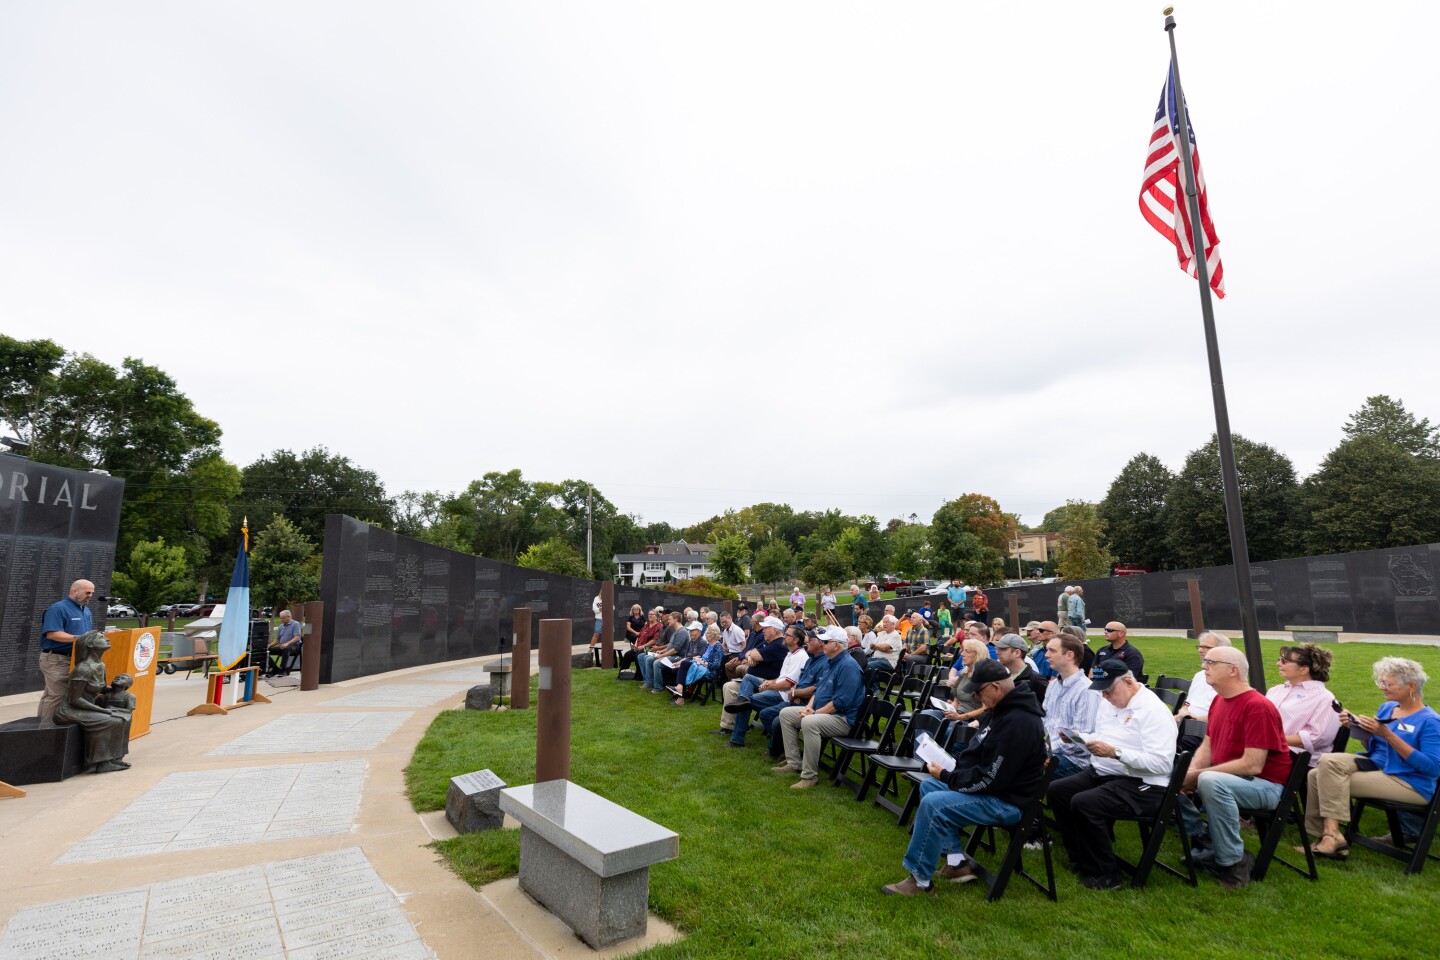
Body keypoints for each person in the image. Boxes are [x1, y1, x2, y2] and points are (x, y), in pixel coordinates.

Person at [881, 659, 1046, 894]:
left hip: (1007, 802)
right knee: (929, 788)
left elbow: (991, 778)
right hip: (995, 791)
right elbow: (976, 753)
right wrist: (950, 770)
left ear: (996, 687)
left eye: (979, 692)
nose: (978, 699)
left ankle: (920, 881)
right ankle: (957, 863)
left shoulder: (1019, 722)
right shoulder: (1001, 710)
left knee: (934, 804)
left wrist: (949, 776)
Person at [1048, 662, 1179, 890]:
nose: (1105, 696)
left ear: (1128, 682)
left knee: (1084, 802)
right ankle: (1082, 858)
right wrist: (1081, 737)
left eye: (1109, 690)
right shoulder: (1109, 702)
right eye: (1102, 691)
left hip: (1145, 784)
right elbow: (1104, 734)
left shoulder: (1153, 711)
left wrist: (1116, 753)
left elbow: (1161, 764)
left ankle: (1106, 874)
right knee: (1058, 791)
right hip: (1106, 771)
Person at [1179, 646, 1292, 889]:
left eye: (1211, 662)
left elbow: (1252, 765)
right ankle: (1209, 842)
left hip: (1266, 786)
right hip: (1232, 780)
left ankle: (1234, 863)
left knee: (1209, 781)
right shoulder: (1219, 700)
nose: (1203, 666)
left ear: (1233, 670)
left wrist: (1197, 777)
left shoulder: (1257, 706)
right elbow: (1207, 747)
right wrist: (1189, 773)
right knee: (1173, 770)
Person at [1305, 657, 1440, 859]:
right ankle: (1326, 835)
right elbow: (1374, 748)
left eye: (1387, 683)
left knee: (1321, 773)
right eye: (1380, 682)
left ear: (1411, 686)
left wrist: (1388, 735)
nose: (1381, 688)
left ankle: (1332, 837)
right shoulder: (1388, 708)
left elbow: (1433, 768)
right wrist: (1358, 729)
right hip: (1379, 766)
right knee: (1319, 770)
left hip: (1410, 782)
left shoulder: (1430, 721)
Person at [776, 626, 866, 788]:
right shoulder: (831, 662)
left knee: (810, 723)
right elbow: (818, 691)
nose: (822, 644)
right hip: (824, 713)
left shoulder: (848, 666)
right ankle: (794, 763)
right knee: (786, 714)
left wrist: (815, 713)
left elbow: (841, 703)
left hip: (843, 719)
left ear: (837, 645)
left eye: (826, 641)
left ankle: (809, 777)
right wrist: (808, 708)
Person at [53, 631, 131, 773]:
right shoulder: (84, 668)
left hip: (86, 708)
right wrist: (101, 710)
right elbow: (74, 699)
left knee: (124, 717)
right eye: (101, 637)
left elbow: (101, 689)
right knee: (110, 720)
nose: (106, 638)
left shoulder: (100, 665)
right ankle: (101, 763)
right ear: (90, 644)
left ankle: (115, 757)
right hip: (69, 710)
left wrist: (122, 691)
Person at [725, 624, 811, 746]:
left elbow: (787, 684)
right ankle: (742, 699)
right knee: (749, 678)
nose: (784, 636)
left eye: (787, 635)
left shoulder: (800, 657)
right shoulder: (791, 653)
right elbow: (783, 678)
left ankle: (737, 739)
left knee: (747, 703)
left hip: (784, 695)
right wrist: (771, 681)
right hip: (777, 687)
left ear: (796, 640)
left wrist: (769, 686)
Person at [1042, 627, 1102, 779]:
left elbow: (1081, 743)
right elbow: (1045, 722)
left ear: (1069, 655)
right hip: (1050, 751)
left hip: (1074, 762)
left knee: (1020, 769)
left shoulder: (1087, 691)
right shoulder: (1053, 685)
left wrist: (1044, 749)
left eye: (1052, 651)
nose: (1046, 655)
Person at [1266, 643, 1340, 767]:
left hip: (1298, 761)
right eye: (1279, 660)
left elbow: (1317, 738)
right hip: (1269, 750)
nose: (1278, 664)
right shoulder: (1276, 690)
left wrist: (1270, 740)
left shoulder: (1324, 697)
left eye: (1285, 661)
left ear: (1304, 669)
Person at [717, 617, 787, 736]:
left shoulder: (778, 645)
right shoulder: (767, 642)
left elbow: (755, 654)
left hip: (766, 683)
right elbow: (750, 652)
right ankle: (728, 726)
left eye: (766, 628)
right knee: (728, 686)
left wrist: (752, 655)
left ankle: (740, 728)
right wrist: (750, 656)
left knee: (744, 697)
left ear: (775, 630)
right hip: (753, 681)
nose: (763, 630)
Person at [38, 579, 96, 723]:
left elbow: (87, 635)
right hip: (57, 659)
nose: (90, 595)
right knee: (58, 696)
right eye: (87, 592)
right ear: (74, 591)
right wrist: (79, 638)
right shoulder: (57, 609)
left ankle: (38, 730)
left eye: (92, 593)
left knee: (50, 695)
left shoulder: (86, 610)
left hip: (74, 659)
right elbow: (52, 634)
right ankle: (46, 733)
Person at [1175, 631, 1230, 750]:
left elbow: (1226, 715)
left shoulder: (1228, 679)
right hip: (1185, 725)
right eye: (1200, 646)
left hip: (1206, 732)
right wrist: (1181, 713)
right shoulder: (1199, 675)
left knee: (1166, 742)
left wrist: (1193, 720)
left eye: (1207, 647)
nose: (1200, 650)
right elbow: (1187, 703)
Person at [665, 623, 722, 706]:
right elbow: (703, 656)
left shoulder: (718, 647)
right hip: (702, 666)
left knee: (684, 666)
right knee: (684, 665)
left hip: (710, 671)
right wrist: (698, 658)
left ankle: (680, 693)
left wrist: (702, 662)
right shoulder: (709, 645)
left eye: (708, 633)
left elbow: (716, 665)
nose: (706, 634)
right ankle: (680, 692)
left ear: (714, 634)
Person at [995, 634, 1048, 704]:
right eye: (997, 648)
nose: (997, 652)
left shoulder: (1036, 681)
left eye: (1003, 649)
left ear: (1017, 653)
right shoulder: (1000, 677)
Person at [269, 609, 303, 675]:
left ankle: (283, 669)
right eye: (280, 618)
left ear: (289, 617)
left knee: (286, 648)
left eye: (283, 618)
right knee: (266, 651)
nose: (281, 620)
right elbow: (278, 640)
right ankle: (275, 668)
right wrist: (269, 645)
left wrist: (287, 644)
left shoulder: (295, 624)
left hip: (294, 646)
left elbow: (297, 637)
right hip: (282, 646)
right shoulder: (281, 626)